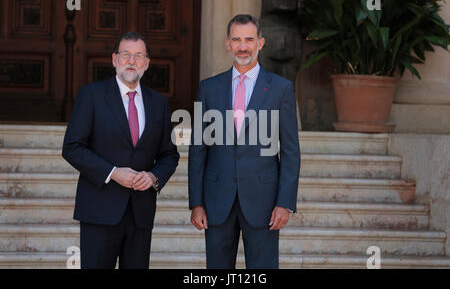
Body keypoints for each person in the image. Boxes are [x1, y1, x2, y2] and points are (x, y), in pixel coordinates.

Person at [188, 14, 301, 269]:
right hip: (217, 200)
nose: (242, 46)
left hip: (264, 201)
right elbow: (198, 150)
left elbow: (291, 152)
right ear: (228, 43)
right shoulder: (209, 88)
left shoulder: (281, 88)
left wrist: (285, 203)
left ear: (261, 43)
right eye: (236, 40)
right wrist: (196, 203)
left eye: (249, 39)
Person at [62, 31, 179, 269]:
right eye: (125, 54)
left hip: (141, 213)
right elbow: (72, 147)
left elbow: (169, 154)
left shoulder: (159, 102)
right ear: (114, 59)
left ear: (146, 64)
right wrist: (113, 172)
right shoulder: (92, 95)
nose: (131, 61)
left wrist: (154, 176)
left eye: (138, 56)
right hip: (99, 209)